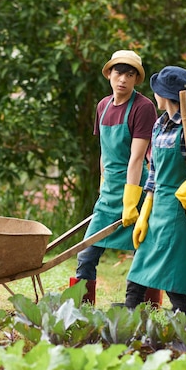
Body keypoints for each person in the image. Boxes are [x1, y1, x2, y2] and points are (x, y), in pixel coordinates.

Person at [124, 66, 186, 314]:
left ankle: (185, 329)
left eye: (157, 90)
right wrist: (144, 212)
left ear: (165, 94)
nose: (154, 94)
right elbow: (154, 172)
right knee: (137, 274)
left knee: (174, 277)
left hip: (178, 212)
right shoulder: (159, 125)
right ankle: (125, 326)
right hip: (157, 208)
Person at [70, 50, 161, 306]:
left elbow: (137, 158)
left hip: (134, 188)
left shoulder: (143, 108)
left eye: (130, 74)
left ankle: (141, 306)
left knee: (143, 252)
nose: (123, 79)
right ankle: (83, 307)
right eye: (119, 72)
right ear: (109, 74)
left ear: (136, 79)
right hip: (108, 192)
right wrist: (102, 186)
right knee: (87, 253)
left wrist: (131, 202)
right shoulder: (103, 106)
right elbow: (104, 152)